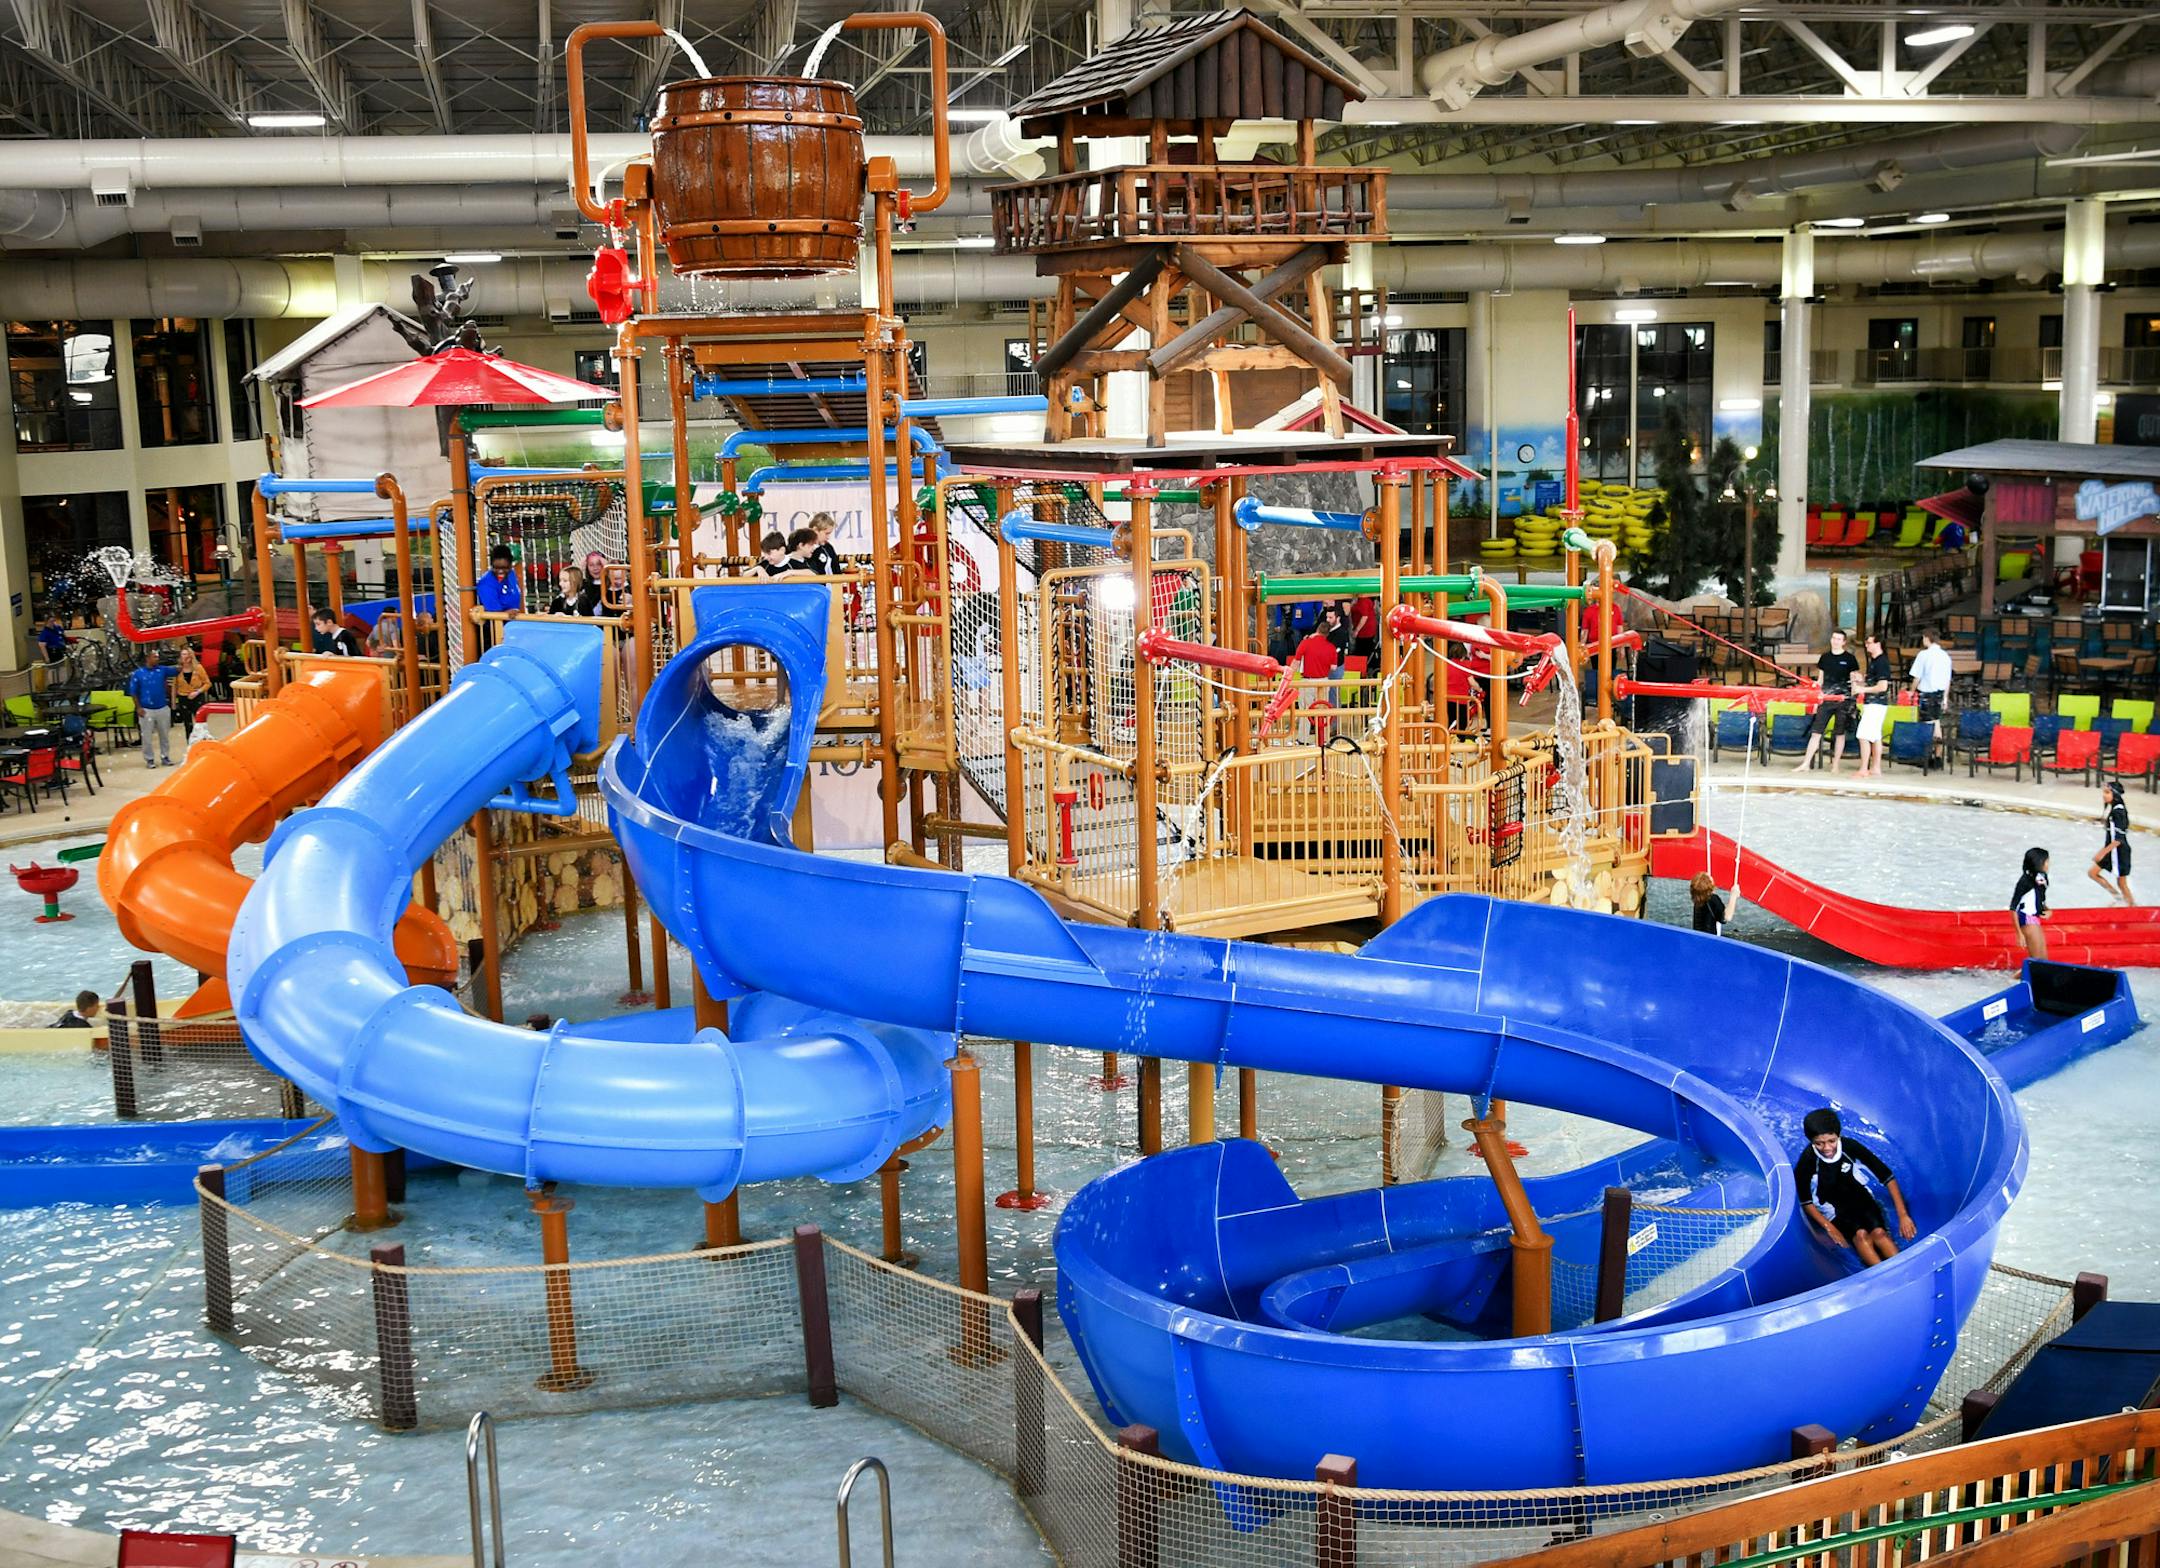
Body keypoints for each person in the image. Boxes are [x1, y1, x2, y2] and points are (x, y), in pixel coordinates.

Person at [1795, 1107, 1916, 1268]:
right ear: (1811, 1141)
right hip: (1834, 1208)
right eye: (1819, 1143)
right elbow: (1806, 1202)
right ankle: (1882, 1277)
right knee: (1861, 1236)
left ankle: (1905, 1271)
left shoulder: (1850, 1147)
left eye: (1831, 1141)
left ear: (1838, 1135)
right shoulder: (1807, 1161)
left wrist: (1903, 1216)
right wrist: (1829, 1227)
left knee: (1879, 1234)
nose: (1827, 1148)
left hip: (1861, 1198)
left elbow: (1887, 1177)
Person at [1794, 629, 1861, 773]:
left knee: (1839, 733)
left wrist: (1854, 696)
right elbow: (1821, 680)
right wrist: (1812, 686)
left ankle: (1835, 765)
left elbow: (1854, 681)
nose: (1835, 641)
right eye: (1833, 638)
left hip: (1844, 700)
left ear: (1843, 642)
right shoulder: (1824, 658)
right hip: (1826, 698)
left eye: (1838, 639)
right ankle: (1806, 763)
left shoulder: (1850, 659)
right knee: (1816, 732)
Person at [1908, 630, 1953, 771]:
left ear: (1927, 638)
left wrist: (1911, 691)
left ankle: (1925, 756)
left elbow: (1917, 677)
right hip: (1939, 694)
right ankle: (1938, 756)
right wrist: (1945, 698)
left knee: (1927, 726)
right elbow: (1947, 680)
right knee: (1936, 723)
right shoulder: (1945, 657)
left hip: (1927, 693)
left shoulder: (1924, 655)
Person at [1851, 634, 1892, 778]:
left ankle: (1864, 768)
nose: (1867, 645)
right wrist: (1861, 680)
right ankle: (1875, 768)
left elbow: (1882, 686)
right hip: (1874, 704)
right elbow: (1874, 682)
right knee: (1875, 736)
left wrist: (1863, 689)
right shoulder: (1874, 661)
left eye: (1869, 643)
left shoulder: (1881, 662)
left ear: (1878, 644)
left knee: (1862, 735)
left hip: (1876, 704)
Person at [126, 651, 176, 767]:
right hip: (146, 709)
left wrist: (186, 658)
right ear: (148, 658)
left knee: (164, 735)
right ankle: (149, 759)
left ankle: (165, 756)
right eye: (155, 657)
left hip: (162, 707)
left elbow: (178, 670)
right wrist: (138, 707)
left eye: (158, 657)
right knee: (147, 736)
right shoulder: (138, 674)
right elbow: (133, 693)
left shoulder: (162, 670)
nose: (157, 659)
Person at [2090, 781, 2137, 906]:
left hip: (2119, 852)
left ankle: (2133, 907)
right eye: (2104, 792)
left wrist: (2101, 853)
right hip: (2112, 850)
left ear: (2115, 794)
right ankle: (2118, 897)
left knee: (2122, 883)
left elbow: (2119, 839)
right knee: (2092, 873)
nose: (2104, 795)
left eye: (2107, 792)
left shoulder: (2118, 812)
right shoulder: (2115, 809)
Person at [2012, 846, 2050, 959]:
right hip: (2027, 919)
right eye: (2046, 861)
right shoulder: (2025, 881)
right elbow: (2013, 908)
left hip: (2035, 919)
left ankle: (2014, 977)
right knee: (2039, 960)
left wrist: (2047, 910)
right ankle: (2014, 977)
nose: (2048, 864)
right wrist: (2019, 934)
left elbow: (2038, 898)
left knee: (2041, 959)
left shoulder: (2041, 878)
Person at [171, 645, 211, 739]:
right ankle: (190, 744)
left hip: (197, 697)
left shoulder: (198, 668)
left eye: (187, 654)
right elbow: (174, 687)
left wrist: (197, 692)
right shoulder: (177, 670)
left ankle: (202, 742)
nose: (186, 656)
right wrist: (173, 703)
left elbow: (207, 683)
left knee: (201, 723)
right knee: (188, 725)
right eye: (183, 654)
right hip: (183, 698)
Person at [475, 545, 522, 616]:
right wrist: (508, 613)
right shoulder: (486, 583)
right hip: (497, 624)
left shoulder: (511, 574)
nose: (500, 571)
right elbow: (495, 614)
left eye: (505, 568)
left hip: (514, 621)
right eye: (496, 568)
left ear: (510, 565)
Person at [1689, 871, 1727, 936]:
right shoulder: (1713, 899)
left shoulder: (1697, 898)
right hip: (1710, 938)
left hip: (1698, 936)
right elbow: (1726, 918)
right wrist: (1733, 896)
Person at [807, 513, 844, 577]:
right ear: (815, 530)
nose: (828, 537)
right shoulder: (805, 549)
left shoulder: (828, 547)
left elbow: (836, 570)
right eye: (826, 533)